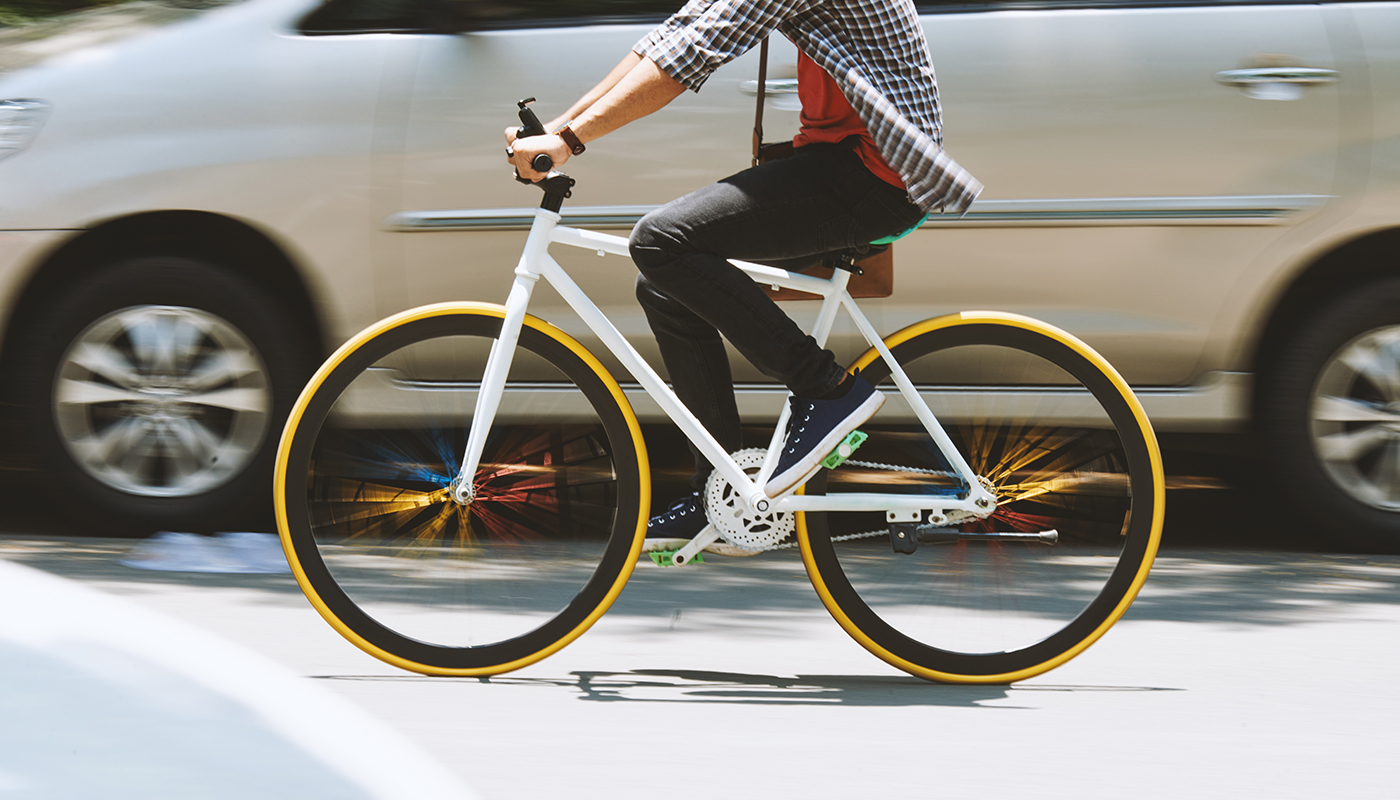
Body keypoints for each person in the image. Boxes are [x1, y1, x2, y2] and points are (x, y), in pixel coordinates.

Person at [506, 0, 982, 541]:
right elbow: (673, 35)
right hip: (842, 166)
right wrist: (560, 128)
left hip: (871, 176)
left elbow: (689, 56)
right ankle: (722, 493)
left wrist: (569, 141)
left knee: (661, 241)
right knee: (665, 288)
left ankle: (827, 389)